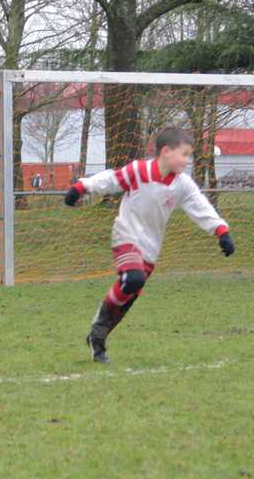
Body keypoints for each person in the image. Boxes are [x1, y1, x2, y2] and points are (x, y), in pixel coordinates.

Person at [64, 127, 236, 363]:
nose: (187, 160)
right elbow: (111, 179)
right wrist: (81, 187)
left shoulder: (183, 184)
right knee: (133, 279)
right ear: (166, 151)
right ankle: (98, 326)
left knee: (130, 295)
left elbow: (200, 206)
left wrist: (221, 231)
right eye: (184, 154)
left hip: (150, 247)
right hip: (126, 234)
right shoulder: (139, 170)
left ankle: (98, 337)